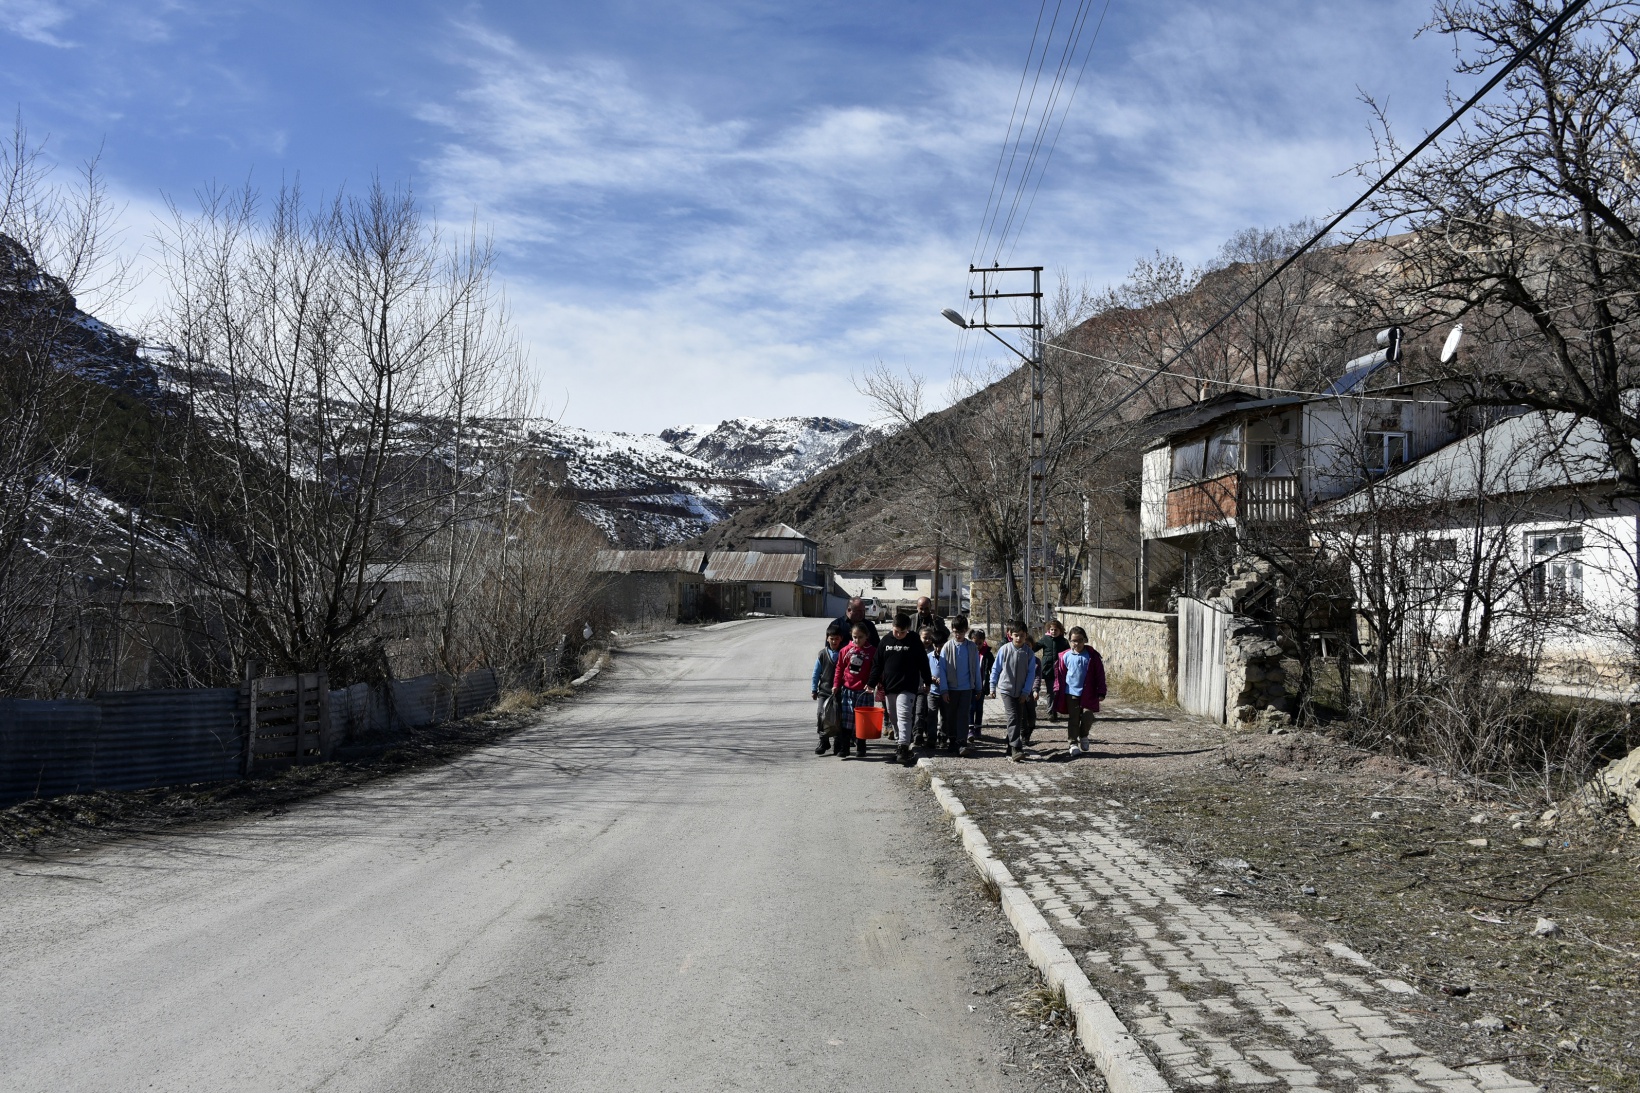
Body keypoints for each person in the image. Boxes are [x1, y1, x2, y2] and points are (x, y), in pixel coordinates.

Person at [870, 613, 931, 767]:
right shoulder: (885, 641)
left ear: (908, 629)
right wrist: (871, 683)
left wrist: (927, 681)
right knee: (893, 715)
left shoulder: (914, 641)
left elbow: (923, 662)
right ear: (892, 627)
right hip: (890, 686)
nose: (899, 635)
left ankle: (903, 746)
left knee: (904, 713)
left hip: (908, 685)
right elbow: (877, 663)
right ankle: (900, 741)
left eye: (902, 632)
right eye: (896, 631)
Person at [1053, 626, 1107, 757]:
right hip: (1070, 693)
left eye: (1080, 640)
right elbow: (1059, 675)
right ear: (1069, 641)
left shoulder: (1092, 656)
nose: (1076, 644)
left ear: (1085, 640)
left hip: (1088, 692)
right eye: (1073, 641)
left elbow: (1100, 674)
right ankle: (1072, 743)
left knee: (1088, 716)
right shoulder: (1065, 656)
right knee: (1074, 718)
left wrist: (1101, 691)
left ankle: (1084, 736)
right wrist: (1056, 689)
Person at [989, 620, 1039, 762]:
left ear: (1026, 636)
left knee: (1018, 717)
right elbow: (996, 669)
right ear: (1010, 635)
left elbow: (1031, 674)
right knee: (1013, 717)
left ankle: (1009, 746)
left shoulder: (1029, 653)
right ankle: (1017, 748)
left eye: (1022, 636)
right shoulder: (1004, 649)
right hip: (1006, 689)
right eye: (1016, 635)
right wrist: (992, 686)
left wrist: (1025, 692)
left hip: (1021, 692)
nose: (1019, 638)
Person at [937, 615, 983, 757]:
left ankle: (962, 741)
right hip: (951, 688)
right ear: (952, 630)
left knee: (963, 715)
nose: (958, 635)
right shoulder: (947, 647)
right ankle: (952, 740)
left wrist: (978, 687)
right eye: (956, 631)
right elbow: (942, 670)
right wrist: (944, 689)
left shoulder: (971, 647)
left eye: (961, 632)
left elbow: (976, 668)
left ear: (966, 630)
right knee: (951, 715)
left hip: (966, 688)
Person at [832, 622, 878, 759]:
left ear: (867, 636)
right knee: (847, 720)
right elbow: (839, 668)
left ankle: (861, 748)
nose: (857, 640)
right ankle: (845, 748)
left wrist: (874, 684)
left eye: (860, 637)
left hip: (864, 691)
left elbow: (876, 670)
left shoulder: (872, 651)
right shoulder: (846, 650)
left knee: (862, 721)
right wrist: (836, 684)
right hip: (847, 690)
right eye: (854, 637)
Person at [811, 623, 847, 755]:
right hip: (824, 692)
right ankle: (823, 741)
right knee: (821, 715)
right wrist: (814, 689)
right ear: (827, 639)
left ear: (841, 639)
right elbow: (816, 673)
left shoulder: (844, 653)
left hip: (840, 692)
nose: (834, 641)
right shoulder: (822, 654)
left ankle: (838, 743)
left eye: (836, 638)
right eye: (831, 638)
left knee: (838, 717)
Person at [1035, 619, 1071, 722]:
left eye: (1056, 630)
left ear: (1060, 630)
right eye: (1051, 629)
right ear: (1048, 630)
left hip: (1060, 670)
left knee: (1058, 691)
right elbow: (1035, 647)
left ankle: (1057, 709)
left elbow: (1068, 654)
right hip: (1048, 670)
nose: (1054, 632)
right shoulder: (1045, 639)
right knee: (1050, 691)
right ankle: (1051, 711)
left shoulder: (1063, 641)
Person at [916, 626, 941, 749]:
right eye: (925, 638)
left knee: (930, 713)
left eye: (930, 638)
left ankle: (931, 734)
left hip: (932, 688)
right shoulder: (917, 650)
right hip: (920, 686)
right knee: (920, 711)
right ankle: (918, 733)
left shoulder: (935, 651)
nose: (927, 640)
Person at [970, 629, 995, 742]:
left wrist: (992, 684)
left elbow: (993, 669)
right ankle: (970, 729)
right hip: (970, 685)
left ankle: (978, 729)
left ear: (983, 641)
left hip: (982, 685)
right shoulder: (969, 652)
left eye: (980, 643)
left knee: (979, 708)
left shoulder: (987, 654)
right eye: (975, 643)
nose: (977, 646)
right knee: (970, 708)